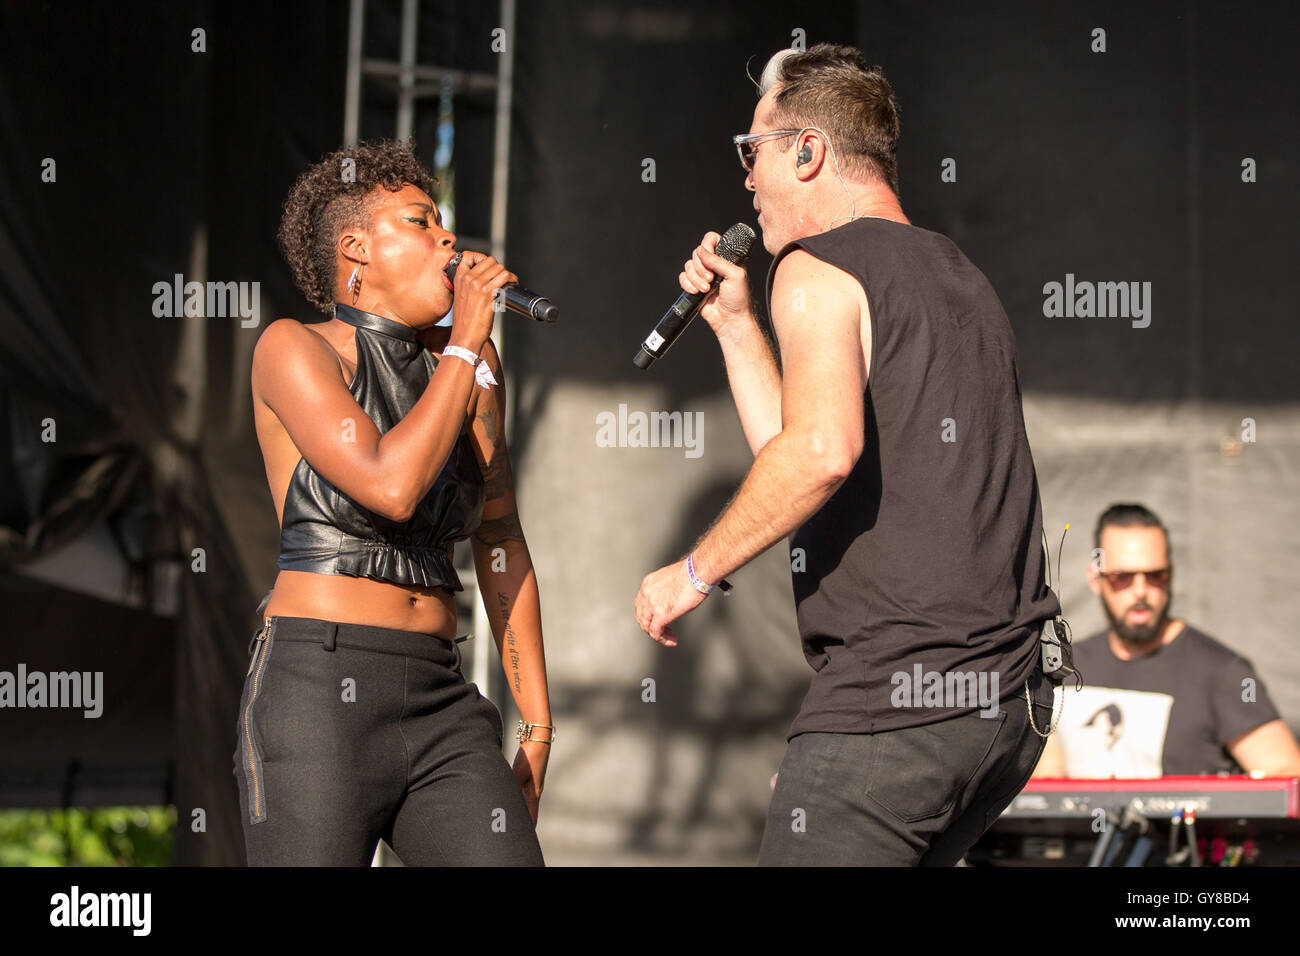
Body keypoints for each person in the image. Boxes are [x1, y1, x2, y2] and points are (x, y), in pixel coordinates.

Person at [633, 43, 1059, 866]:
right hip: (1008, 703)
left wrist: (691, 573)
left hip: (898, 698)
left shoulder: (816, 266)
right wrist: (735, 324)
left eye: (751, 152)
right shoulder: (958, 272)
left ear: (807, 151)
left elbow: (822, 454)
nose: (746, 178)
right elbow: (797, 455)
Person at [233, 139, 551, 865]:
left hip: (440, 692)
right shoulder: (295, 349)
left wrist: (536, 727)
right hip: (317, 687)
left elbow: (500, 537)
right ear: (356, 250)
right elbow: (391, 485)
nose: (448, 237)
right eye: (419, 221)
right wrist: (468, 343)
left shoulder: (466, 367)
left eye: (444, 222)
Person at [1033, 503, 1300, 779]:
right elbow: (1040, 787)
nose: (1141, 592)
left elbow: (1286, 773)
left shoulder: (1224, 672)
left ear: (1170, 575)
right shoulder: (1063, 668)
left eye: (1155, 576)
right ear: (1096, 578)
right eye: (1122, 578)